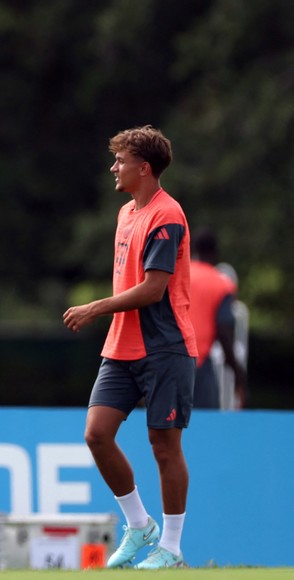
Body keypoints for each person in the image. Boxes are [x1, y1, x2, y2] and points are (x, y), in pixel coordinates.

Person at [63, 125, 197, 569]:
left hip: (166, 346)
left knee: (164, 444)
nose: (113, 167)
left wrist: (94, 308)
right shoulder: (125, 213)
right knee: (97, 434)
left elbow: (154, 289)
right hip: (122, 346)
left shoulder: (168, 215)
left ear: (144, 168)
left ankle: (172, 549)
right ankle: (140, 526)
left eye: (120, 160)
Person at [189, 228, 247, 408]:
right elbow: (224, 331)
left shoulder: (177, 275)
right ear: (215, 252)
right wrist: (238, 375)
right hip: (197, 364)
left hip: (164, 361)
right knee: (204, 425)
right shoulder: (221, 284)